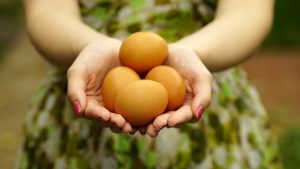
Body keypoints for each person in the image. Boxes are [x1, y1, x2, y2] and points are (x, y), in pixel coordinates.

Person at [18, 0, 280, 168]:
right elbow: (46, 10)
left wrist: (192, 52)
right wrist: (88, 46)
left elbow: (249, 11)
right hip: (88, 89)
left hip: (198, 87)